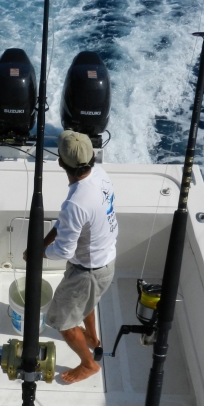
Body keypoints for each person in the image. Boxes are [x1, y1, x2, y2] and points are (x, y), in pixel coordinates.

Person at [24, 130, 118, 383]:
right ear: (93, 157)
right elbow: (69, 223)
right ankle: (92, 338)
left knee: (63, 323)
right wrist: (41, 244)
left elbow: (64, 250)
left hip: (87, 272)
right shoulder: (100, 175)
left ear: (60, 162)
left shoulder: (76, 202)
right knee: (86, 303)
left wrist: (39, 255)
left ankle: (88, 365)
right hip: (105, 261)